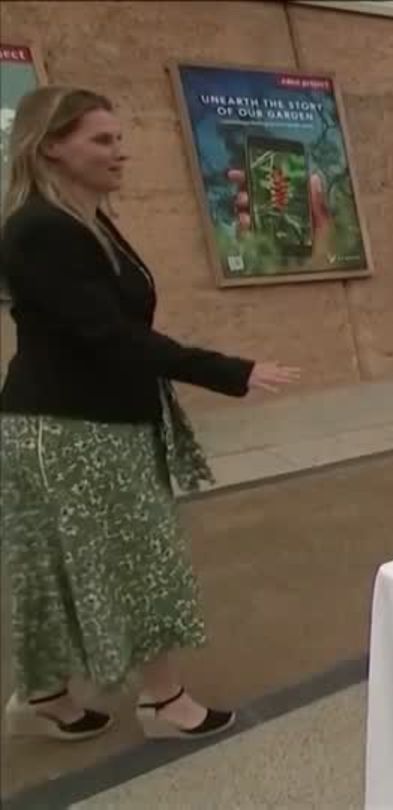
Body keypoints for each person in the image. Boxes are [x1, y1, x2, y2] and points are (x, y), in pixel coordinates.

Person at [0, 87, 300, 740]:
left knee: (65, 562)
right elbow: (108, 335)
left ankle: (45, 692)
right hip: (70, 429)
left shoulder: (84, 219)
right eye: (102, 140)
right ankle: (162, 702)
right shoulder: (40, 230)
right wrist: (228, 370)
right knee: (138, 557)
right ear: (51, 145)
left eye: (119, 138)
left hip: (95, 418)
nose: (120, 152)